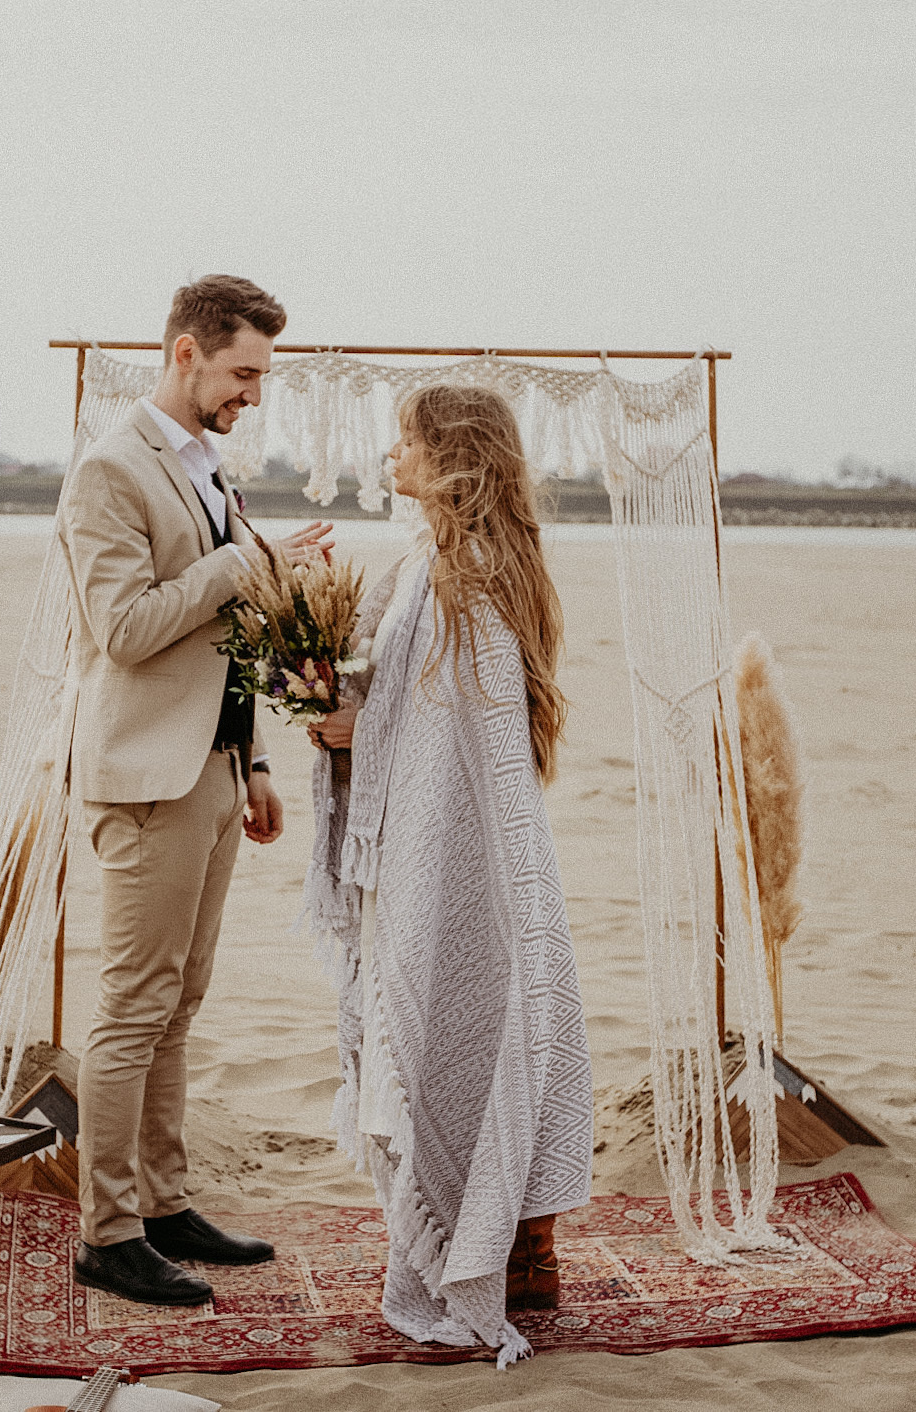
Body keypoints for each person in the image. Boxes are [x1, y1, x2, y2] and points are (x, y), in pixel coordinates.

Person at [301, 383, 595, 1366]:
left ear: (453, 458)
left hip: (463, 858)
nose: (390, 457)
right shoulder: (424, 568)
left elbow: (467, 736)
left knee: (458, 1036)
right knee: (438, 1040)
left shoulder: (473, 577)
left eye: (405, 442)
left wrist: (360, 729)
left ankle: (492, 1253)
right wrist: (342, 717)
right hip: (422, 854)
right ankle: (499, 1246)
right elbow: (400, 713)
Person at [59, 275, 333, 1307]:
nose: (253, 394)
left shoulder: (203, 467)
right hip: (141, 778)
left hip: (211, 774)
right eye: (242, 372)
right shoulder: (108, 473)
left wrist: (252, 760)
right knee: (132, 1009)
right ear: (184, 352)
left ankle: (165, 1205)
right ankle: (108, 1232)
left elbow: (227, 639)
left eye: (260, 373)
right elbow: (122, 631)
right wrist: (241, 563)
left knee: (180, 1003)